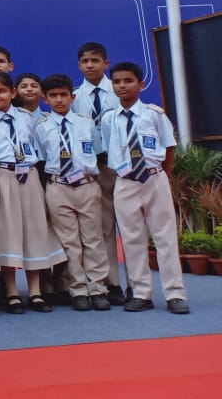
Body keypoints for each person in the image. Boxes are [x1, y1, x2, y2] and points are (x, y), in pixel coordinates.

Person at [101, 62, 188, 314]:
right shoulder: (109, 118)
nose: (122, 86)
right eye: (117, 82)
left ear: (140, 84)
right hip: (125, 182)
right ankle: (140, 293)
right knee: (131, 239)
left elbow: (168, 147)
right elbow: (110, 149)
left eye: (128, 81)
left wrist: (161, 177)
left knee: (165, 237)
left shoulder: (154, 114)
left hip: (153, 178)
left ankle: (175, 293)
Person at [0, 72, 64, 313]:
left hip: (28, 177)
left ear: (13, 93)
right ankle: (12, 292)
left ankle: (35, 291)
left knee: (34, 231)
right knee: (7, 232)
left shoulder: (26, 117)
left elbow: (35, 147)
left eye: (1, 91)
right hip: (1, 177)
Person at [35, 74, 109, 312]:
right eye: (53, 96)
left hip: (86, 185)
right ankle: (77, 289)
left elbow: (98, 153)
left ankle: (98, 288)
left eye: (63, 95)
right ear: (45, 99)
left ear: (72, 97)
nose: (59, 100)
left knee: (93, 239)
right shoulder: (41, 127)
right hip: (58, 186)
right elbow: (41, 161)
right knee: (69, 241)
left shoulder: (85, 123)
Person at [71, 42, 125, 305]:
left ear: (106, 63)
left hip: (124, 167)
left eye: (95, 60)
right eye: (85, 61)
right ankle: (111, 282)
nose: (90, 65)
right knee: (103, 229)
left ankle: (137, 285)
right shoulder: (74, 97)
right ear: (79, 65)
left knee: (130, 228)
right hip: (95, 169)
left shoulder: (119, 91)